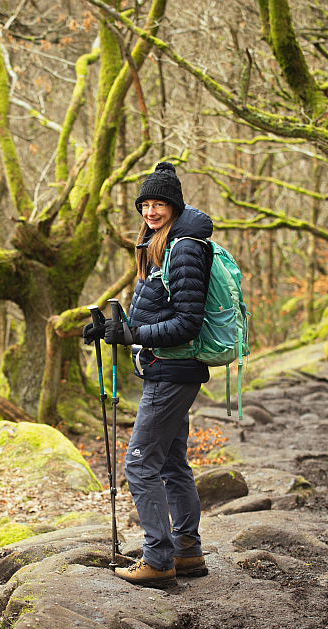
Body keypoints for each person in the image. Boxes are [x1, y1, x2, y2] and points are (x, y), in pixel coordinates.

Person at [82, 161, 212, 587]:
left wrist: (132, 333)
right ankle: (187, 551)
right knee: (172, 462)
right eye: (146, 204)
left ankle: (159, 559)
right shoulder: (161, 243)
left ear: (173, 206)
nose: (151, 212)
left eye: (159, 204)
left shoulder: (186, 247)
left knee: (138, 465)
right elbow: (156, 308)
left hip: (173, 371)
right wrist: (110, 328)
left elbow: (187, 322)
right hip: (168, 369)